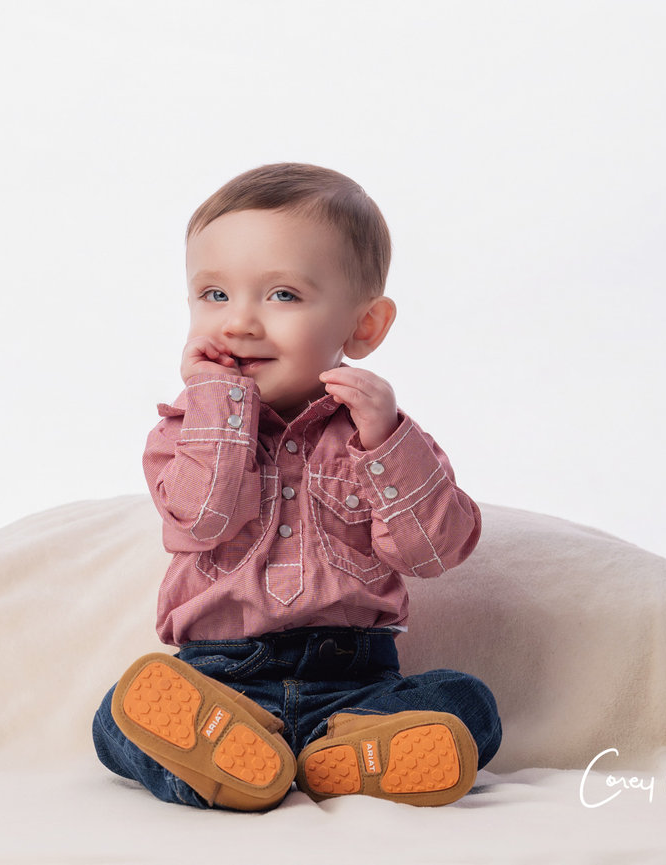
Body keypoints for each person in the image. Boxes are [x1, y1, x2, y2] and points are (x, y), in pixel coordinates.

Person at [92, 163, 501, 811]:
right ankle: (241, 757)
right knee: (117, 716)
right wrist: (218, 403)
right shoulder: (180, 432)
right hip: (221, 679)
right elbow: (201, 521)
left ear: (363, 326)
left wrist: (386, 439)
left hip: (355, 682)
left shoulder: (386, 440)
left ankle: (332, 758)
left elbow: (431, 554)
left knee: (465, 702)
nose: (240, 322)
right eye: (215, 295)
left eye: (281, 295)